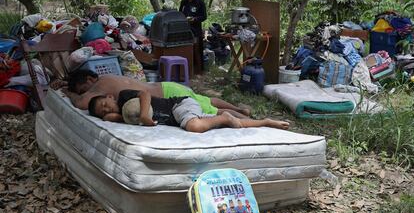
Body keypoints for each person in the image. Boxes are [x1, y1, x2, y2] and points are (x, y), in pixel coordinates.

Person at [64, 70, 250, 118]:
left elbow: (81, 103)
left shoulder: (100, 86)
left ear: (89, 79)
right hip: (166, 86)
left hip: (167, 94)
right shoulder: (108, 77)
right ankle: (239, 108)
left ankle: (242, 117)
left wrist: (67, 92)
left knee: (210, 110)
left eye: (84, 89)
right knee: (206, 100)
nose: (86, 93)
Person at [87, 89, 290, 133]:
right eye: (102, 111)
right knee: (229, 124)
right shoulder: (124, 117)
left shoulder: (124, 97)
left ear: (110, 96)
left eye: (105, 103)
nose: (107, 109)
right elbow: (113, 117)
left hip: (178, 105)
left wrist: (143, 115)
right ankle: (265, 121)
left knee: (194, 126)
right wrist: (108, 115)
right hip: (179, 117)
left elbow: (144, 94)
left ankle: (226, 115)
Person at [179, 0, 207, 74]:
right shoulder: (184, 2)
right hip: (184, 30)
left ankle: (199, 71)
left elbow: (204, 16)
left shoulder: (199, 2)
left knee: (196, 49)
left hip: (195, 30)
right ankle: (187, 71)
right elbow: (180, 13)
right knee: (185, 49)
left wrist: (194, 19)